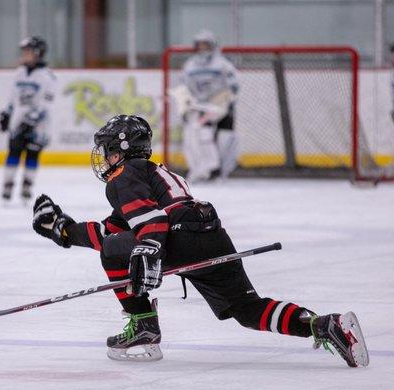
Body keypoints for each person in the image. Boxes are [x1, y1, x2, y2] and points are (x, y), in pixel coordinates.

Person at [31, 114, 369, 366]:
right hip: (209, 233)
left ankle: (143, 327)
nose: (104, 158)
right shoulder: (155, 173)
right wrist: (64, 230)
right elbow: (118, 230)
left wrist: (149, 249)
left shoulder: (123, 177)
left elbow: (150, 223)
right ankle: (325, 325)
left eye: (106, 151)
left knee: (110, 254)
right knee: (247, 309)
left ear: (121, 150)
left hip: (175, 236)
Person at [0, 36, 56, 203]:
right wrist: (6, 114)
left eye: (28, 51)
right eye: (23, 51)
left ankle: (27, 186)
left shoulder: (47, 77)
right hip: (18, 121)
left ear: (38, 53)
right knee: (14, 151)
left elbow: (47, 104)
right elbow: (12, 99)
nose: (24, 54)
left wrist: (32, 120)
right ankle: (7, 185)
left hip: (39, 126)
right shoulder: (19, 73)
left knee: (32, 154)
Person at [179, 29, 239, 182]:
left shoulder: (223, 64)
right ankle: (211, 168)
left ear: (212, 45)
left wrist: (228, 103)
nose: (202, 48)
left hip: (220, 105)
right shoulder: (190, 65)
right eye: (199, 45)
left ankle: (221, 169)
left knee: (225, 138)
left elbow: (233, 85)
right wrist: (186, 106)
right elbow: (183, 88)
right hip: (202, 107)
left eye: (205, 44)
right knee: (202, 134)